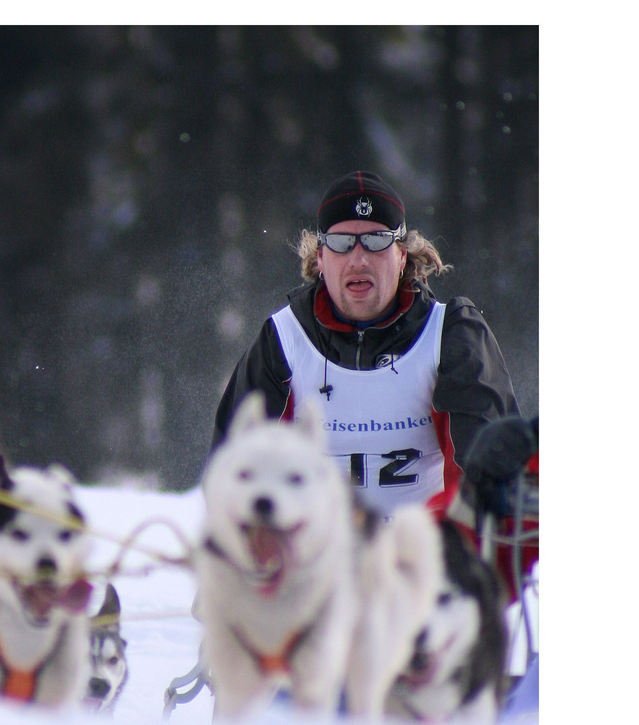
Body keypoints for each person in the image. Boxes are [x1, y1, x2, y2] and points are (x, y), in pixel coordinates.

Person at [210, 170, 520, 515]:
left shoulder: (450, 335)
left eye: (376, 240)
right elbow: (233, 480)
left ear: (402, 255)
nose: (359, 259)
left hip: (417, 557)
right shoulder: (284, 341)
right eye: (342, 243)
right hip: (314, 559)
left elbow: (491, 484)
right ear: (321, 258)